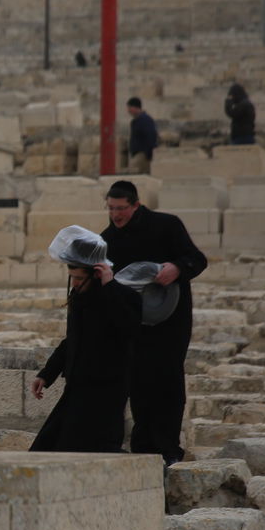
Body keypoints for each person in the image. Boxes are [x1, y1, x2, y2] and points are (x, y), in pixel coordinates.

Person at [100, 181, 208, 466]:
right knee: (138, 383)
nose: (116, 215)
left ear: (135, 205)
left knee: (167, 381)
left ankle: (168, 447)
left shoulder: (167, 226)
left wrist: (177, 268)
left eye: (121, 208)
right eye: (111, 209)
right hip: (133, 324)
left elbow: (197, 259)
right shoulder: (107, 239)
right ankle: (143, 446)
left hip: (171, 321)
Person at [29, 239, 142, 453]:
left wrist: (110, 286)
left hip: (107, 390)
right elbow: (72, 340)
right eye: (72, 278)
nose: (75, 284)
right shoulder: (79, 297)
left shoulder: (125, 296)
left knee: (95, 448)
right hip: (78, 386)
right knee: (49, 446)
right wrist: (46, 374)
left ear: (97, 273)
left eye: (80, 278)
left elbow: (129, 328)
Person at [126, 97, 157, 174]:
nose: (128, 110)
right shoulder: (136, 121)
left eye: (130, 107)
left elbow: (150, 136)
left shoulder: (145, 120)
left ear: (135, 107)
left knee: (132, 171)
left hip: (142, 154)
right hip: (138, 154)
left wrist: (148, 153)